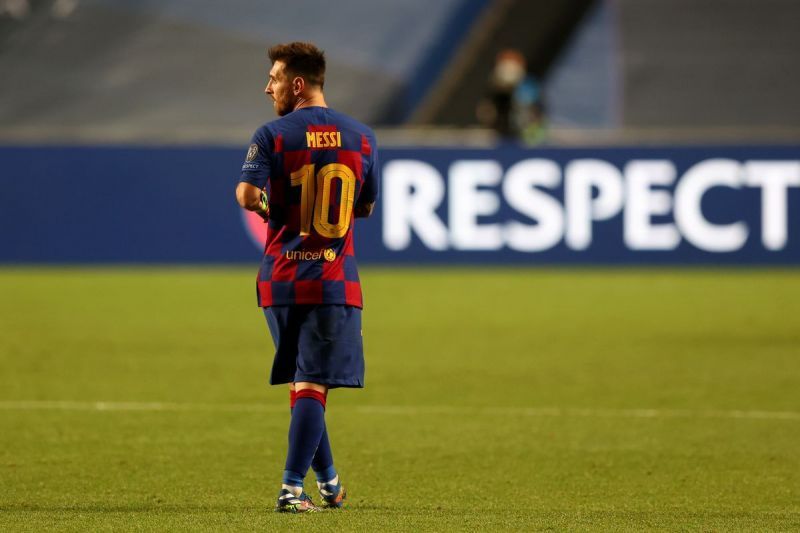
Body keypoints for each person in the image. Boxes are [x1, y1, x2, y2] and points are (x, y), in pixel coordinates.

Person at [235, 42, 379, 513]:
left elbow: (245, 194)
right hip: (330, 280)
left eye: (274, 78)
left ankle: (330, 483)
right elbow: (366, 206)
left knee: (305, 384)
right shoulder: (361, 138)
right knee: (313, 384)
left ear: (297, 85)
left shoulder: (273, 134)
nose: (267, 86)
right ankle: (291, 490)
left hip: (278, 280)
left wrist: (271, 208)